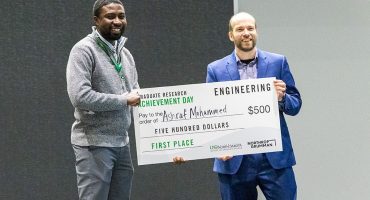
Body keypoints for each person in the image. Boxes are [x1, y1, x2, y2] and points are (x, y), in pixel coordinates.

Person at [174, 12, 302, 200]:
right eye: (240, 29)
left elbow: (295, 105)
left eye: (250, 28)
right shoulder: (215, 69)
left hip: (274, 158)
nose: (246, 33)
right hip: (234, 159)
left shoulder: (278, 62)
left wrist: (281, 98)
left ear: (256, 32)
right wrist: (196, 147)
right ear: (231, 35)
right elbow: (209, 114)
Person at [66, 0, 140, 199]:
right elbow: (80, 96)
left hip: (121, 144)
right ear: (96, 20)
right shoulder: (83, 50)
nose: (117, 21)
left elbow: (135, 93)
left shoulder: (126, 54)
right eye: (110, 16)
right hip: (94, 144)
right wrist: (124, 100)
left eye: (121, 16)